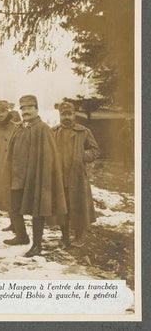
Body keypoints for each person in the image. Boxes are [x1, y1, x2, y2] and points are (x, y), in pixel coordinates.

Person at [0, 95, 67, 257]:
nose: (26, 111)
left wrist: (41, 176)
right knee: (13, 207)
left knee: (38, 211)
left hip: (35, 178)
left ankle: (37, 245)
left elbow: (49, 156)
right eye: (23, 108)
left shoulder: (43, 128)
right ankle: (22, 237)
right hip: (16, 177)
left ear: (36, 109)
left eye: (30, 108)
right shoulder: (19, 127)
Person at [52, 102, 100, 247]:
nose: (66, 117)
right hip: (60, 177)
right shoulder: (53, 132)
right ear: (60, 115)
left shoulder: (83, 132)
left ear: (74, 114)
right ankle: (64, 236)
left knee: (78, 206)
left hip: (77, 177)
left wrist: (81, 156)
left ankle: (79, 237)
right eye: (63, 114)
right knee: (62, 207)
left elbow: (95, 150)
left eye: (69, 114)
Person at [0, 100, 17, 232]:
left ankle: (18, 225)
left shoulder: (16, 127)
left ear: (8, 112)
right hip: (1, 169)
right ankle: (13, 223)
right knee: (6, 197)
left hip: (14, 168)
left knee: (15, 197)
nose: (1, 114)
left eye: (3, 111)